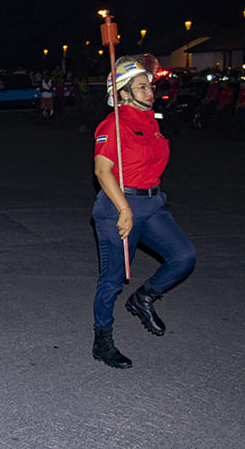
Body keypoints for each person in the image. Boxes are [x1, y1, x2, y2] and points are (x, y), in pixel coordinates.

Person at [91, 55, 196, 369]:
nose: (149, 91)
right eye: (141, 86)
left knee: (184, 257)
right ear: (123, 93)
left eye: (149, 85)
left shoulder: (151, 121)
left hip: (152, 204)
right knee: (112, 279)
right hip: (118, 206)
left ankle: (144, 298)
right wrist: (124, 209)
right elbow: (102, 171)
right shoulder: (113, 124)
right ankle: (103, 340)